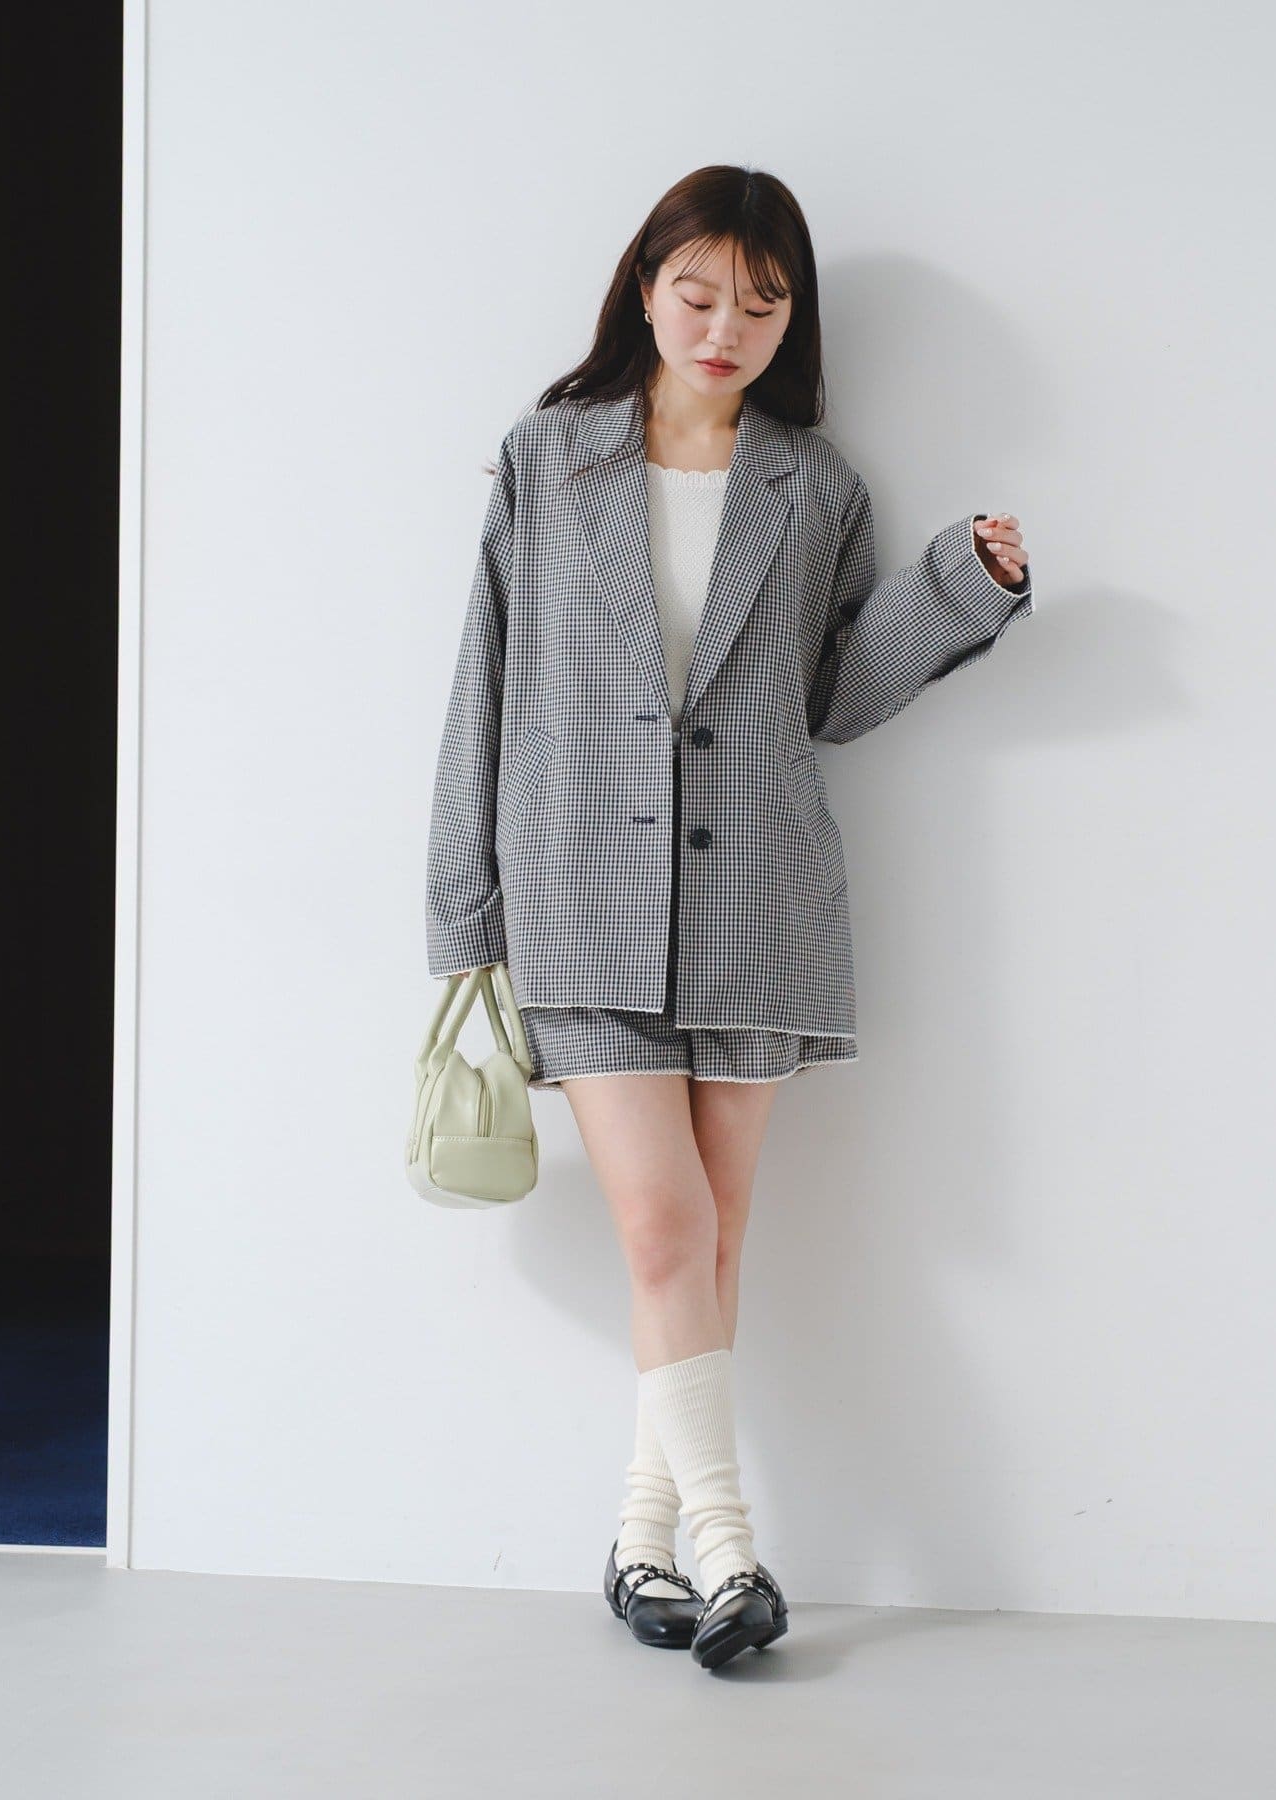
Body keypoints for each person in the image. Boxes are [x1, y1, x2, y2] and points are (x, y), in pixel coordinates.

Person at [424, 164, 1033, 1670]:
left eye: (760, 306)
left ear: (790, 319)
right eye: (698, 295)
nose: (725, 330)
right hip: (577, 895)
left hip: (761, 898)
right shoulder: (546, 460)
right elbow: (483, 685)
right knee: (668, 1221)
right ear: (646, 288)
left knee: (708, 1234)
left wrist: (957, 585)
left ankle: (643, 1545)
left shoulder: (813, 488)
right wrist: (462, 923)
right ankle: (729, 1549)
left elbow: (833, 696)